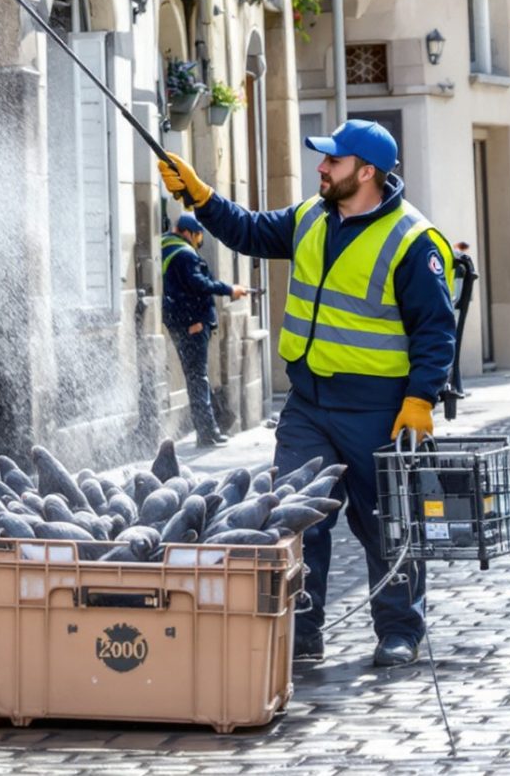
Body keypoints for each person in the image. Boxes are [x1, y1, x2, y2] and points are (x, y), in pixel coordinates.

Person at [158, 118, 454, 668]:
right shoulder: (309, 216)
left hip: (378, 409)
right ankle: (301, 630)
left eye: (333, 161)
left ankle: (400, 630)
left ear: (366, 173)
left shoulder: (413, 241)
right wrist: (199, 196)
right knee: (294, 518)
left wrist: (421, 398)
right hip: (308, 404)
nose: (321, 167)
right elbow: (246, 230)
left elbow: (436, 330)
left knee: (386, 520)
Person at [160, 213, 251, 445]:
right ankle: (207, 432)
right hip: (192, 323)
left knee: (196, 377)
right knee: (198, 377)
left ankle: (209, 427)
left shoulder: (165, 247)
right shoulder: (185, 255)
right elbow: (198, 285)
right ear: (188, 232)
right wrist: (229, 289)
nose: (199, 240)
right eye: (198, 234)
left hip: (180, 322)